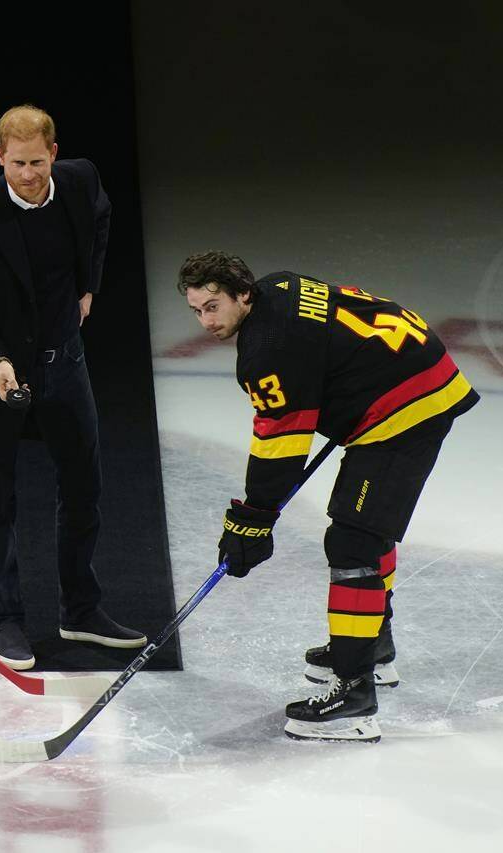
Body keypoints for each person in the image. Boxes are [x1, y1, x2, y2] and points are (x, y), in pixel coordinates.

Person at [178, 251, 479, 743]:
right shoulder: (280, 287)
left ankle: (354, 694)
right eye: (196, 310)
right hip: (414, 373)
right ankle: (370, 646)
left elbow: (280, 447)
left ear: (243, 294)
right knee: (368, 527)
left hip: (408, 405)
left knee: (354, 541)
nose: (206, 321)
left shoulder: (265, 350)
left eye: (214, 306)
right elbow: (328, 353)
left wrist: (251, 521)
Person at [0, 104, 146, 670]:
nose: (27, 175)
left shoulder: (81, 181)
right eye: (15, 164)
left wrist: (89, 287)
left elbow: (101, 221)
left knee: (84, 486)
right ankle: (7, 621)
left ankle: (79, 611)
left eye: (36, 162)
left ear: (54, 154)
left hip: (65, 362)